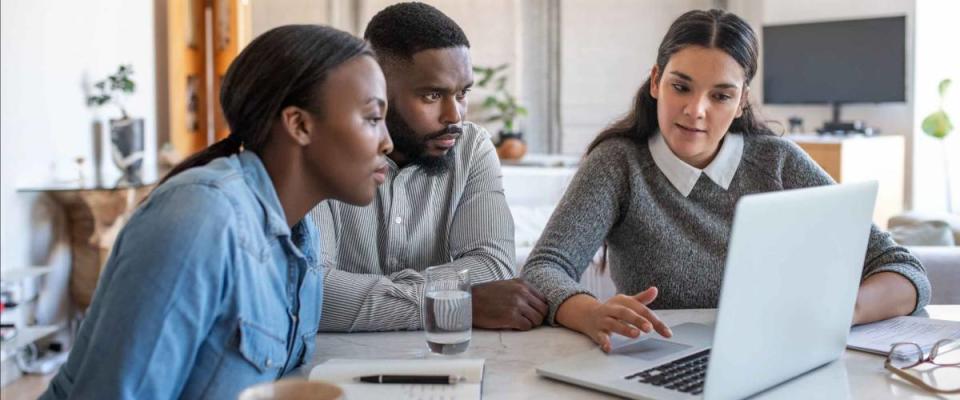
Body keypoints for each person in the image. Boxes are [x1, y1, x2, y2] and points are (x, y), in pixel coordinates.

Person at [521, 9, 930, 353]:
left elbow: (903, 269)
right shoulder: (618, 164)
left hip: (775, 358)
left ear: (741, 103)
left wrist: (845, 310)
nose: (695, 110)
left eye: (720, 96)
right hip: (660, 362)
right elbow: (545, 267)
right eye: (681, 86)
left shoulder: (778, 163)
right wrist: (589, 311)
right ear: (655, 82)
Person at [41, 25, 392, 399]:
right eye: (372, 118)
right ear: (299, 124)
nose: (387, 141)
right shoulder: (201, 219)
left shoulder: (302, 239)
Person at [310, 2, 547, 332]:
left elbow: (494, 269)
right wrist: (454, 302)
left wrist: (367, 298)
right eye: (432, 95)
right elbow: (314, 294)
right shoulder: (323, 150)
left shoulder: (471, 147)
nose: (455, 116)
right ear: (376, 87)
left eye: (462, 93)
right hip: (331, 367)